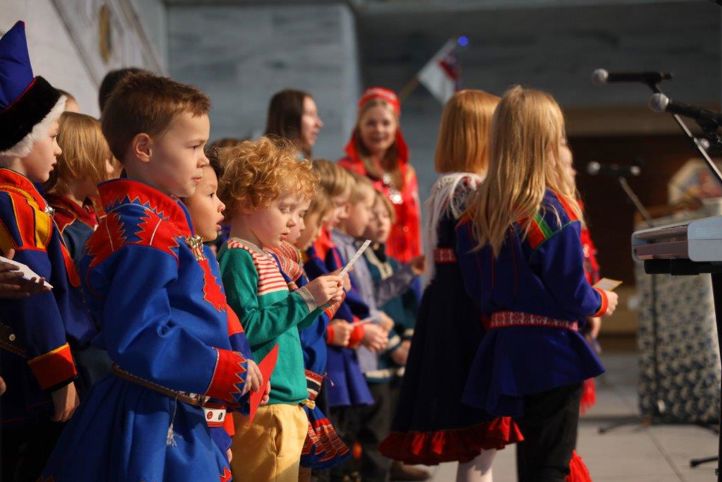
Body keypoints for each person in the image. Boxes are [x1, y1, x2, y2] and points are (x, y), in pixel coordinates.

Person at [41, 72, 263, 482]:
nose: (203, 159)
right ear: (144, 147)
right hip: (150, 414)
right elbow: (141, 334)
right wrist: (223, 369)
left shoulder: (162, 224)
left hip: (174, 404)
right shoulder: (145, 232)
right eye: (193, 146)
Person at [456, 86, 618, 482]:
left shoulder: (475, 214)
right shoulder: (552, 211)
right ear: (545, 141)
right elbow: (571, 292)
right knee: (549, 461)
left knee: (531, 458)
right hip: (552, 350)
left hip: (503, 346)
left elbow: (476, 290)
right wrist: (601, 300)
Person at [379, 90, 523, 482]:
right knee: (479, 436)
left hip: (450, 307)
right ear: (481, 134)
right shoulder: (468, 188)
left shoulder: (447, 185)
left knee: (478, 442)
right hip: (467, 313)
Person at [217, 137, 344, 482]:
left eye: (297, 212)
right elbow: (247, 327)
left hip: (286, 401)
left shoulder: (266, 255)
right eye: (284, 209)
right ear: (247, 202)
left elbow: (286, 326)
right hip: (265, 405)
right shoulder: (238, 256)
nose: (292, 222)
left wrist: (318, 303)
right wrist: (305, 298)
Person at [0, 21, 95, 482]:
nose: (59, 149)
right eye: (53, 136)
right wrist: (58, 375)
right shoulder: (15, 201)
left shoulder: (22, 195)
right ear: (22, 142)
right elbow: (32, 291)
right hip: (27, 374)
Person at [339, 87, 421, 263]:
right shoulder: (347, 171)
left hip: (404, 265)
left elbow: (414, 226)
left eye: (385, 123)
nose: (378, 129)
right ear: (359, 128)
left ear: (395, 128)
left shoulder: (407, 173)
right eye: (371, 123)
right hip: (364, 263)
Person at [45, 112, 114, 264]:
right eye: (105, 159)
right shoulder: (60, 227)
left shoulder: (93, 210)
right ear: (76, 166)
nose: (110, 169)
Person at [265, 89, 323, 158]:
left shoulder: (302, 160)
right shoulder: (265, 165)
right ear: (290, 119)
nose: (319, 124)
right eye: (310, 114)